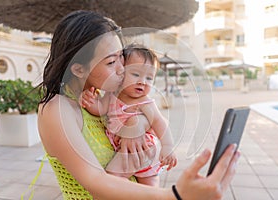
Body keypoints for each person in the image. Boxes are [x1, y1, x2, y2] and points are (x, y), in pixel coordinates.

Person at [38, 10, 240, 200]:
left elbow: (141, 113)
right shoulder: (57, 109)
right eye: (111, 62)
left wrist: (137, 123)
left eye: (121, 58)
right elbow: (96, 183)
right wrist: (173, 195)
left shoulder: (101, 96)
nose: (122, 69)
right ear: (79, 70)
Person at [80, 43, 177, 186]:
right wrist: (88, 100)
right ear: (121, 72)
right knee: (149, 185)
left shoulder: (144, 102)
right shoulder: (112, 94)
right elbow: (99, 108)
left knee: (113, 176)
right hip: (127, 149)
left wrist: (168, 146)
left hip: (140, 149)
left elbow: (159, 122)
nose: (142, 82)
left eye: (149, 78)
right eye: (136, 74)